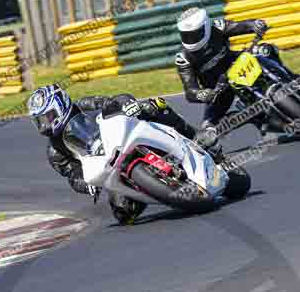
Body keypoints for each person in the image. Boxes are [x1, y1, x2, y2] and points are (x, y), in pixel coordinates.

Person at [28, 84, 220, 224]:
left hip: (123, 136)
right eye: (39, 121)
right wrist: (86, 185)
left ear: (60, 105)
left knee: (153, 105)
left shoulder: (84, 106)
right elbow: (72, 176)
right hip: (108, 165)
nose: (44, 124)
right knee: (124, 214)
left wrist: (126, 104)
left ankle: (196, 136)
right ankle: (159, 189)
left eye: (48, 117)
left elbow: (111, 102)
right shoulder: (55, 152)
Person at [174, 7, 300, 133]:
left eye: (195, 34)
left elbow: (241, 26)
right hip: (219, 89)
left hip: (238, 63)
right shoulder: (183, 57)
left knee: (264, 50)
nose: (191, 39)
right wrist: (201, 94)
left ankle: (294, 80)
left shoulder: (217, 27)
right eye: (187, 35)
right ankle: (260, 121)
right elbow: (190, 90)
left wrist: (255, 25)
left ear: (206, 26)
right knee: (209, 128)